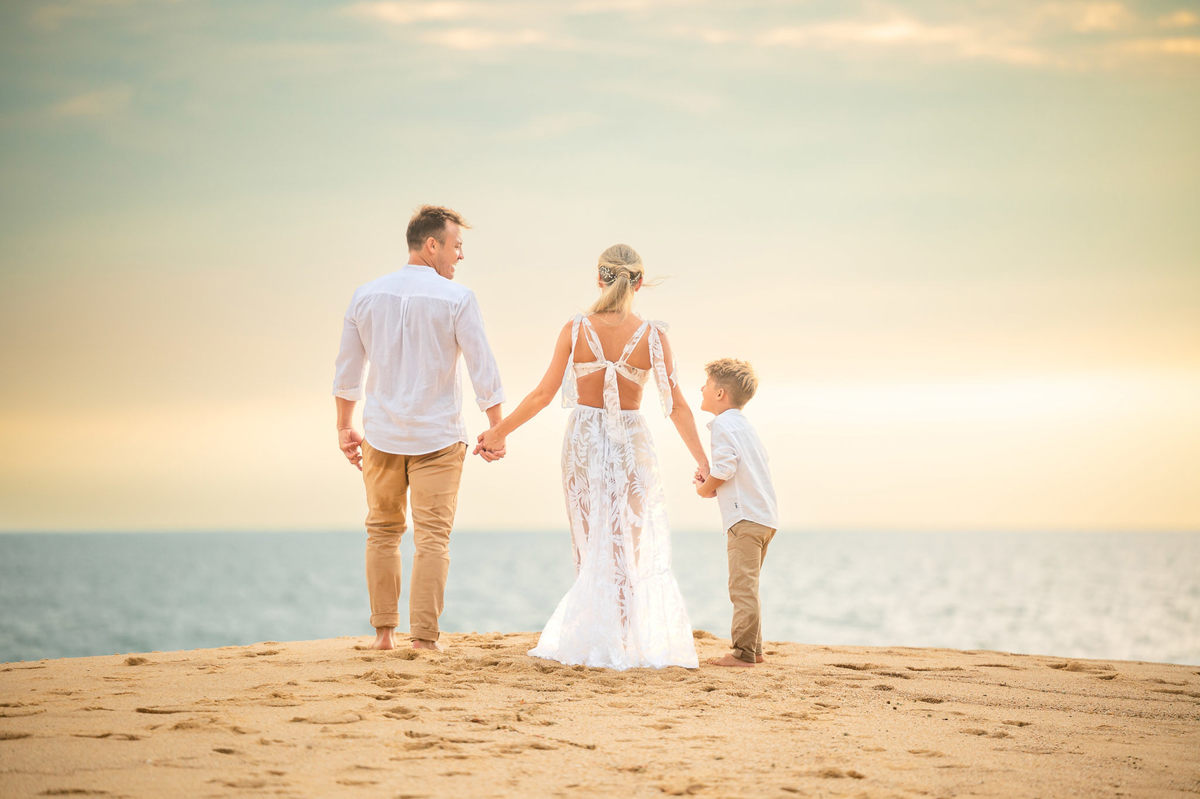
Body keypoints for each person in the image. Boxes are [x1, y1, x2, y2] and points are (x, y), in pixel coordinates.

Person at [475, 244, 706, 670]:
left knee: (588, 544)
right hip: (632, 442)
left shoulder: (576, 328)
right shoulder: (654, 336)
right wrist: (704, 462)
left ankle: (595, 640)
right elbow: (676, 406)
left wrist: (497, 432)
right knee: (627, 547)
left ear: (599, 278)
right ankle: (622, 639)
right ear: (639, 282)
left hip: (583, 439)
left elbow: (542, 394)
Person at [332, 205, 505, 652]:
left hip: (381, 436)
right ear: (432, 245)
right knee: (432, 539)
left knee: (382, 532)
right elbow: (483, 366)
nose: (460, 256)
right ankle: (424, 641)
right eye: (456, 246)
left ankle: (384, 635)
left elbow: (347, 370)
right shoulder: (458, 298)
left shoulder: (365, 295)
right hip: (439, 437)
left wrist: (344, 426)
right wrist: (497, 427)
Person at [693, 358, 779, 667]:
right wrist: (713, 483)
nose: (701, 388)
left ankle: (743, 654)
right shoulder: (744, 427)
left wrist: (704, 488)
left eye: (706, 384)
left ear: (720, 394)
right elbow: (738, 469)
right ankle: (755, 650)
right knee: (749, 586)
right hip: (764, 517)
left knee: (741, 588)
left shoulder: (722, 425)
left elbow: (725, 467)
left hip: (744, 519)